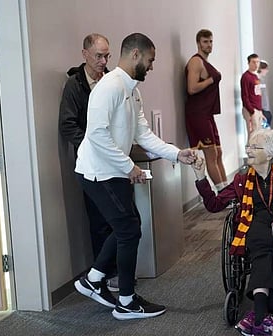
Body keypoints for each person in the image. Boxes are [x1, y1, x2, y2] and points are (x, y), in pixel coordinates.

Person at [74, 32, 196, 320]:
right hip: (97, 172)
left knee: (128, 226)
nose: (152, 67)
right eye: (151, 60)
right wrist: (129, 167)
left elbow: (144, 134)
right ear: (135, 55)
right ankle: (126, 302)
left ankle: (93, 279)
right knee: (129, 229)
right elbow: (96, 134)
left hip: (113, 171)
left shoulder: (132, 90)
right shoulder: (110, 87)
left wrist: (176, 154)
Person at [192, 129, 273, 336]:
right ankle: (264, 320)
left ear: (271, 154)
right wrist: (200, 176)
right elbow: (214, 204)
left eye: (255, 147)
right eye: (249, 146)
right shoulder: (242, 179)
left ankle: (258, 316)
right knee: (261, 247)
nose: (249, 150)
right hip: (254, 223)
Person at [58, 33, 119, 291]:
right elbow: (67, 125)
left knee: (121, 218)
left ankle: (115, 271)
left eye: (107, 56)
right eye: (98, 56)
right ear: (84, 54)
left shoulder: (110, 82)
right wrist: (92, 147)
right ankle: (102, 275)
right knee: (100, 220)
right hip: (91, 164)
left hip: (114, 160)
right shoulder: (75, 85)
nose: (103, 61)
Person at [185, 29, 228, 191]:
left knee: (218, 152)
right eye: (205, 42)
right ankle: (223, 193)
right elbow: (191, 88)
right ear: (198, 43)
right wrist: (211, 80)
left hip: (208, 113)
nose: (209, 45)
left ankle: (228, 191)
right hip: (198, 114)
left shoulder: (206, 62)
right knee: (211, 155)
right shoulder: (196, 62)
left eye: (210, 41)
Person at [240, 53, 265, 137]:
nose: (256, 64)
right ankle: (251, 150)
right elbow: (244, 95)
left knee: (258, 134)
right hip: (251, 109)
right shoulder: (246, 77)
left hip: (258, 109)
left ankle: (257, 150)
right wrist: (251, 110)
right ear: (249, 63)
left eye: (257, 62)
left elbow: (258, 94)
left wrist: (260, 110)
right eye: (253, 62)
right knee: (252, 134)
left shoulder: (256, 77)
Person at [258, 60, 273, 127]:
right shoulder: (258, 80)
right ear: (261, 69)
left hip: (266, 108)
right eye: (266, 69)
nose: (267, 71)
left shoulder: (262, 80)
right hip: (263, 109)